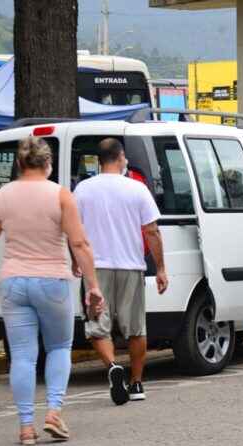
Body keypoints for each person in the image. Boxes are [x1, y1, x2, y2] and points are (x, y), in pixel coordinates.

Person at [0, 137, 104, 445]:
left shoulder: (2, 196)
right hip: (52, 280)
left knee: (22, 355)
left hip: (14, 282)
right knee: (59, 347)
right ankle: (54, 412)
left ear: (19, 164)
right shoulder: (60, 195)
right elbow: (79, 243)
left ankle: (25, 427)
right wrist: (93, 285)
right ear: (48, 164)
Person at [74, 138, 168, 406]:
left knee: (98, 327)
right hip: (130, 266)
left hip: (96, 268)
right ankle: (137, 383)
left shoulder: (82, 189)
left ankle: (113, 366)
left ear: (99, 160)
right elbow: (152, 231)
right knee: (136, 328)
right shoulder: (136, 189)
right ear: (121, 156)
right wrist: (160, 268)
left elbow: (74, 231)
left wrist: (74, 260)